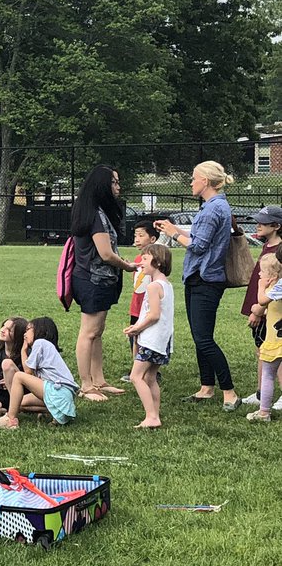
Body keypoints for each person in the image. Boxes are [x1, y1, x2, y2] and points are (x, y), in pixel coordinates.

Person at [155, 161, 239, 410]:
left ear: (206, 181)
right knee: (200, 336)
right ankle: (206, 387)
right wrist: (176, 229)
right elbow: (202, 239)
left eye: (194, 178)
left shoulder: (213, 209)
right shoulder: (215, 206)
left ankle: (229, 392)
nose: (191, 182)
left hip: (206, 279)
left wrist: (172, 232)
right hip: (200, 278)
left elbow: (198, 246)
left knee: (203, 339)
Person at [69, 166, 136, 401]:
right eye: (114, 183)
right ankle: (86, 384)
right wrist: (127, 266)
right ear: (102, 186)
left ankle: (99, 380)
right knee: (88, 332)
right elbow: (106, 254)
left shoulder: (96, 211)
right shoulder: (95, 215)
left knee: (97, 332)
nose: (118, 187)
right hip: (92, 280)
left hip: (99, 280)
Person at [0, 317, 78, 430]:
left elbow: (28, 371)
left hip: (58, 391)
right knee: (20, 402)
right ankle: (57, 411)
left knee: (19, 376)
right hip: (62, 395)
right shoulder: (46, 347)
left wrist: (23, 350)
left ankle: (10, 419)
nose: (25, 334)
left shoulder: (40, 343)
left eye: (28, 329)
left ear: (39, 331)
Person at [123, 244, 174, 430]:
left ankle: (151, 416)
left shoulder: (153, 286)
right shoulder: (166, 285)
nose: (140, 262)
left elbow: (153, 315)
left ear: (158, 262)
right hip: (162, 341)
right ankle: (155, 415)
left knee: (136, 377)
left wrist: (137, 329)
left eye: (145, 259)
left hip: (152, 341)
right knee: (150, 378)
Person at [241, 205, 282, 411]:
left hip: (270, 312)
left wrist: (259, 309)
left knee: (276, 353)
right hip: (259, 305)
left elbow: (275, 289)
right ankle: (260, 393)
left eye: (263, 222)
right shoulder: (267, 247)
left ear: (276, 226)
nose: (257, 225)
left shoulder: (279, 251)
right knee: (262, 351)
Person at [247, 249, 282, 422]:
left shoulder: (277, 287)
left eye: (262, 272)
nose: (259, 274)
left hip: (276, 340)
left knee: (268, 374)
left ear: (273, 276)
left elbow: (260, 302)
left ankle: (264, 412)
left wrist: (261, 286)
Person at [123, 222, 158, 380]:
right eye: (135, 235)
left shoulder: (156, 260)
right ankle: (136, 369)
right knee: (135, 336)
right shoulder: (138, 259)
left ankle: (151, 371)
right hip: (136, 307)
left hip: (148, 308)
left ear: (152, 239)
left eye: (141, 235)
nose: (137, 239)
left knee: (148, 338)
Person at [0, 316, 29, 419]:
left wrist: (11, 378)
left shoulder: (25, 352)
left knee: (7, 364)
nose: (3, 330)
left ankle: (17, 408)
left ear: (18, 335)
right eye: (3, 326)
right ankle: (12, 409)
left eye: (9, 330)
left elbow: (31, 376)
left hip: (23, 392)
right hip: (4, 393)